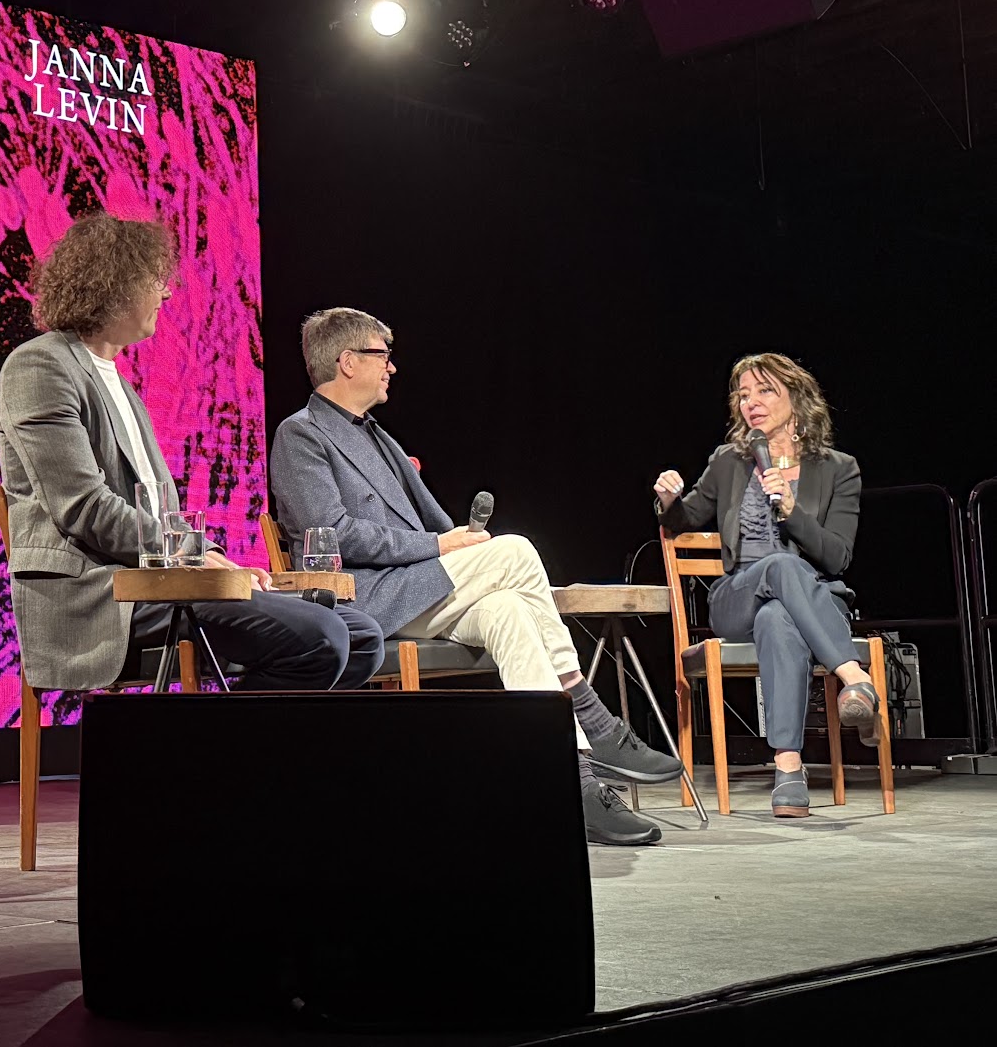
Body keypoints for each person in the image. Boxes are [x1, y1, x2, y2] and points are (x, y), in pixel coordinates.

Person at [269, 308, 682, 847]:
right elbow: (334, 535)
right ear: (348, 363)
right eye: (382, 356)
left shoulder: (377, 436)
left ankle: (570, 781)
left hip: (413, 590)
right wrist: (443, 546)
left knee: (509, 608)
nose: (392, 367)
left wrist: (464, 542)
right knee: (516, 551)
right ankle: (591, 715)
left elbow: (439, 524)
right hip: (362, 600)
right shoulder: (300, 435)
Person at [0, 214, 383, 695]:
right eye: (156, 279)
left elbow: (162, 513)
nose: (167, 293)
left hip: (157, 584)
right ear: (115, 283)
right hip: (100, 595)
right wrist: (195, 560)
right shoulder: (39, 366)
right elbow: (83, 507)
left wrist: (217, 561)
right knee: (321, 637)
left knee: (363, 636)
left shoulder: (120, 383)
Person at [654, 352, 872, 819]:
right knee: (775, 569)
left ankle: (788, 769)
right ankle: (854, 676)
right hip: (736, 598)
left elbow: (837, 557)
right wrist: (669, 499)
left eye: (764, 390)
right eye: (743, 393)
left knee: (778, 616)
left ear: (797, 399)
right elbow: (686, 518)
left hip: (808, 601)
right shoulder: (728, 462)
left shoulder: (839, 469)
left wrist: (792, 510)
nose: (751, 401)